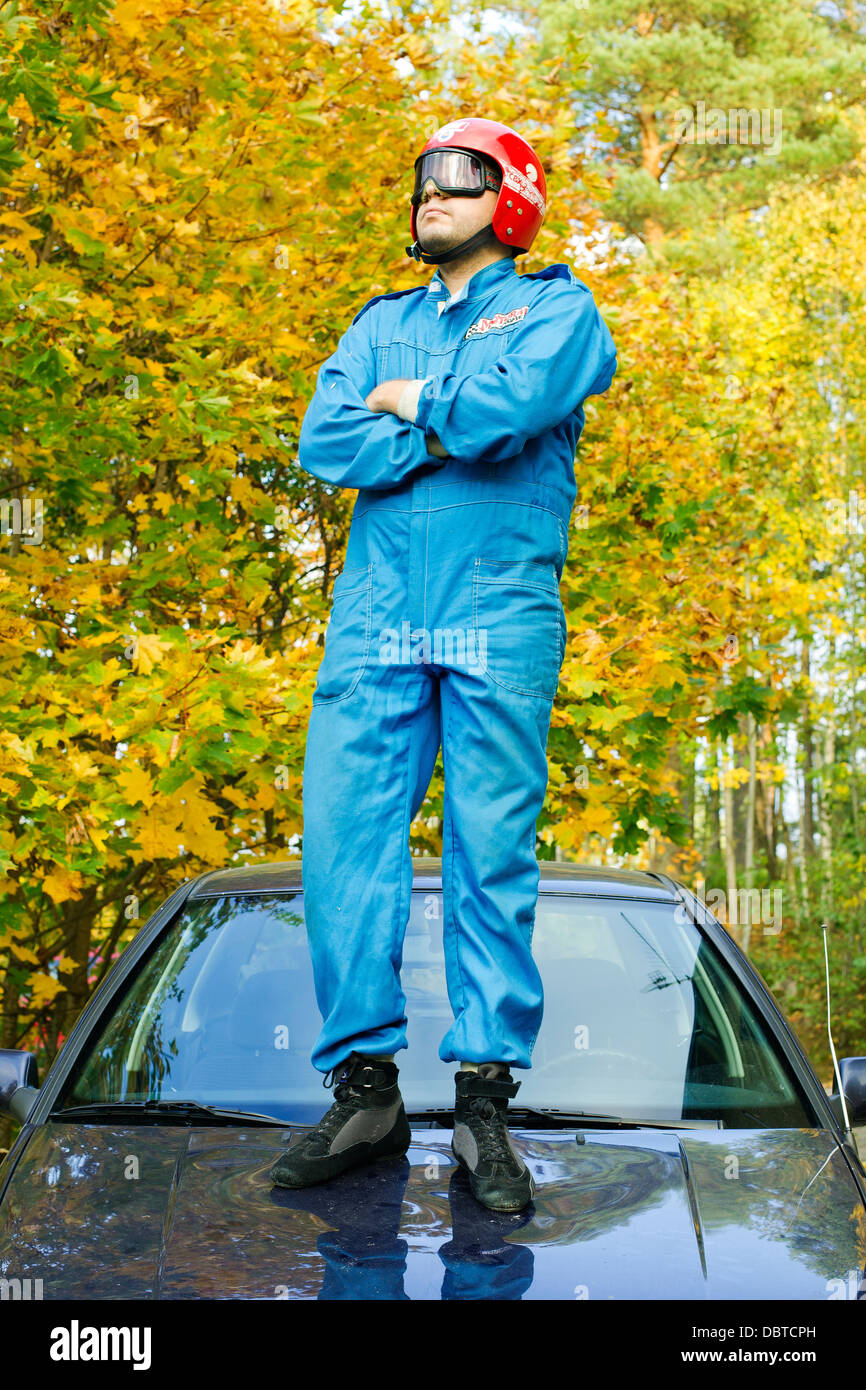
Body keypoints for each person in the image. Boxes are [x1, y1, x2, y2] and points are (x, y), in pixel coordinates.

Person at [270, 117, 617, 1211]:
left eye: (460, 181)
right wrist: (452, 426)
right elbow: (324, 441)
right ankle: (365, 1086)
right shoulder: (378, 324)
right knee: (343, 849)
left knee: (487, 853)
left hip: (497, 612)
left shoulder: (555, 308)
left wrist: (416, 407)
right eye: (421, 181)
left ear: (508, 199)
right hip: (374, 619)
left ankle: (481, 1104)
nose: (432, 196)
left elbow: (520, 404)